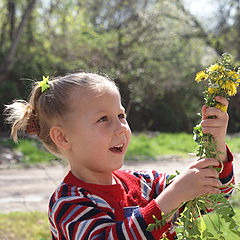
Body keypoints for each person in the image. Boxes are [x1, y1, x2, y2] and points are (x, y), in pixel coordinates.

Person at [4, 73, 234, 240]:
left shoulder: (144, 184)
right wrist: (172, 197)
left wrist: (217, 145)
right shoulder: (68, 205)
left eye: (121, 115)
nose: (121, 127)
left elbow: (213, 198)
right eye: (103, 119)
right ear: (63, 138)